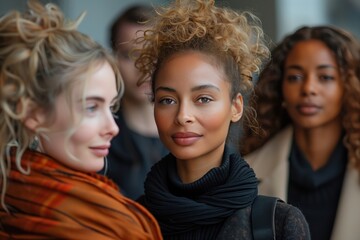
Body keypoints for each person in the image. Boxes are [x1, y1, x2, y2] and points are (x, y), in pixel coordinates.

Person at [135, 0, 311, 239]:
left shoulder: (278, 223)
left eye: (203, 99)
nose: (183, 116)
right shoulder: (132, 220)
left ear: (236, 106)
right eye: (167, 100)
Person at [0, 0, 162, 239]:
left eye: (111, 107)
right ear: (34, 113)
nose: (112, 128)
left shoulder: (16, 190)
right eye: (91, 108)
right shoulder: (104, 221)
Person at [241, 25, 360, 240]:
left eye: (325, 77)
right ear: (280, 87)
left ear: (349, 87)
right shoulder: (246, 174)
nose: (308, 88)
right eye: (295, 77)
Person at [102, 4, 168, 200]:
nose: (144, 67)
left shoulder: (192, 128)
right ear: (113, 59)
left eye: (153, 55)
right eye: (131, 55)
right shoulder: (99, 138)